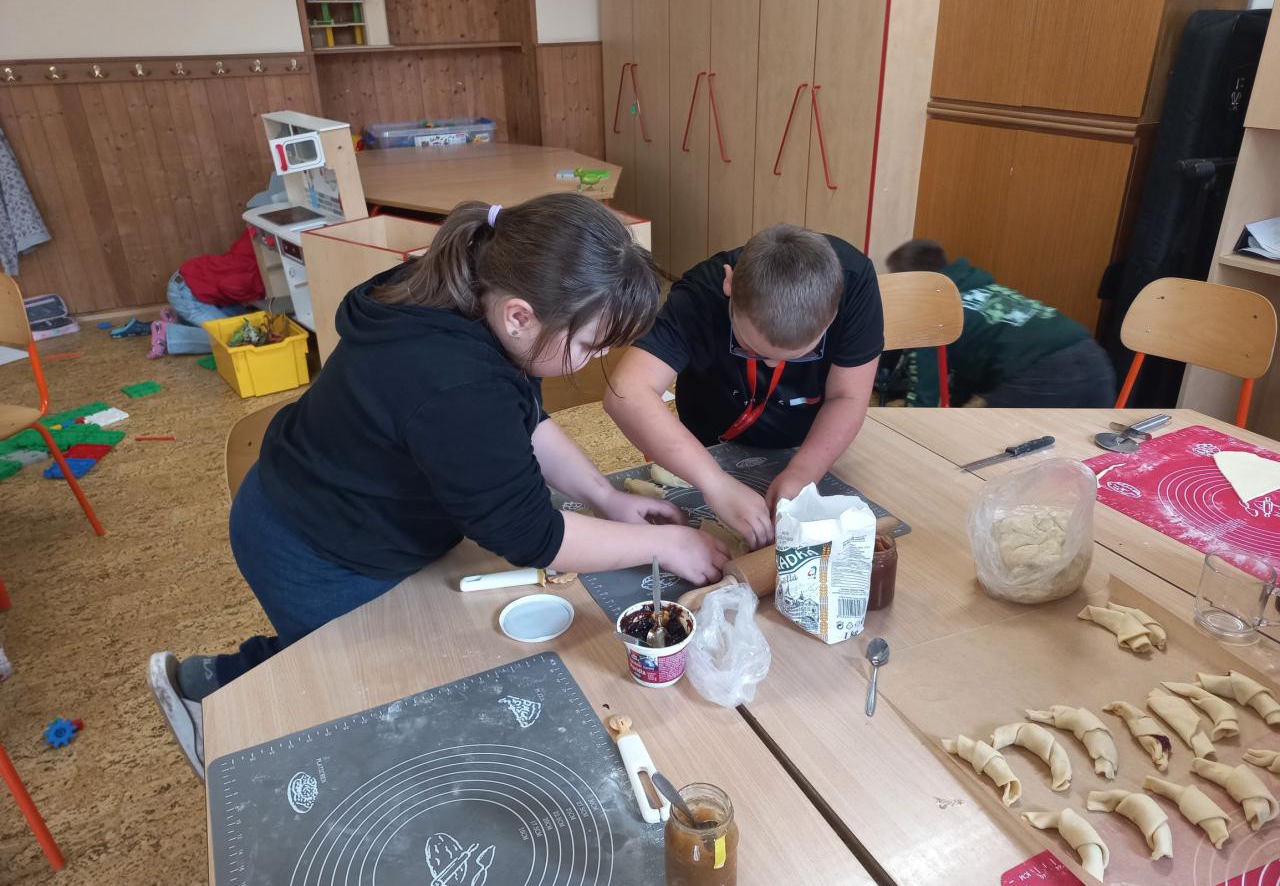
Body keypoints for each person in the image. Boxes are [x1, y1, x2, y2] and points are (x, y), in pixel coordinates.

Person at [149, 194, 729, 780]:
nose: (595, 358)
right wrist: (666, 546)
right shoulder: (456, 380)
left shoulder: (474, 283)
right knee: (354, 684)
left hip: (324, 505)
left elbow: (521, 420)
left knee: (349, 653)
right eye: (589, 345)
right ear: (520, 316)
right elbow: (533, 535)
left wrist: (606, 497)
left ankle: (205, 680)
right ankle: (211, 704)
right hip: (316, 547)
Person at [604, 223, 884, 550]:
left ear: (834, 314)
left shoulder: (854, 283)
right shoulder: (700, 295)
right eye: (751, 349)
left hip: (808, 442)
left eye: (799, 355)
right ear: (729, 284)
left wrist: (803, 472)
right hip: (706, 446)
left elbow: (847, 396)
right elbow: (626, 392)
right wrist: (715, 483)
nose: (772, 366)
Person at [884, 239, 1116, 409]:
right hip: (1093, 357)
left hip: (1041, 370)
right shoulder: (981, 288)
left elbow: (924, 398)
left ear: (910, 283)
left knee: (987, 445)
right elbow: (971, 368)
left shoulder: (929, 312)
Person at [148, 228, 263, 358]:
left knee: (248, 325)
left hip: (190, 282)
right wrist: (259, 292)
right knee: (235, 338)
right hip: (188, 293)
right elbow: (229, 285)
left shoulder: (256, 234)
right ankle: (167, 333)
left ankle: (178, 318)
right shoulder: (252, 273)